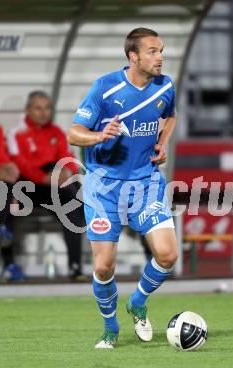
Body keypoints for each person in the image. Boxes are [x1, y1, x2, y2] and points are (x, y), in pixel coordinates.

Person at [68, 27, 178, 348]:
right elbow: (74, 132)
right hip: (104, 186)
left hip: (145, 183)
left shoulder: (165, 86)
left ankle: (138, 303)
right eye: (153, 51)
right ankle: (111, 328)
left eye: (162, 50)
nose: (161, 57)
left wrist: (163, 141)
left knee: (168, 255)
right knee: (103, 266)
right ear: (134, 56)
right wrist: (99, 136)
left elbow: (170, 116)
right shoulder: (105, 88)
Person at [6, 91, 85, 280]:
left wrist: (68, 172)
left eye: (47, 108)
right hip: (26, 186)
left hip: (51, 186)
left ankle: (75, 268)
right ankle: (8, 266)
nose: (43, 113)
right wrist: (44, 178)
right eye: (38, 108)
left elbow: (67, 158)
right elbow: (19, 164)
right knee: (4, 200)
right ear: (27, 110)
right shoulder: (15, 133)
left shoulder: (56, 132)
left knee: (74, 200)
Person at [0, 104, 26, 280]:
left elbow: (0, 161)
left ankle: (8, 263)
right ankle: (8, 263)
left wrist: (8, 169)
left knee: (7, 198)